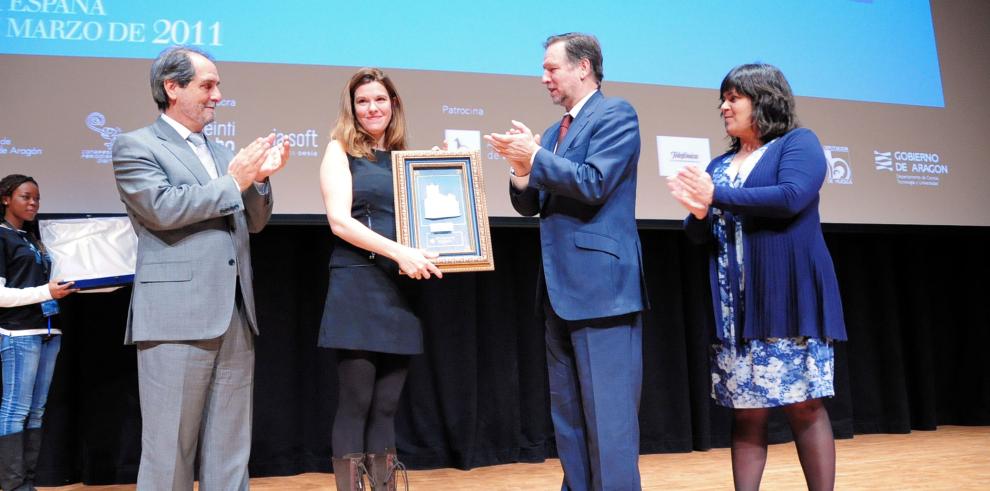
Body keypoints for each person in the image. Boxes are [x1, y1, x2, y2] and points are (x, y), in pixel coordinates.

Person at [112, 45, 288, 490]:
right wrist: (237, 181)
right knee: (169, 450)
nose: (217, 95)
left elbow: (254, 221)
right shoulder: (135, 145)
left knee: (230, 451)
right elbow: (162, 209)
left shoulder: (222, 150)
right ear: (172, 88)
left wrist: (259, 181)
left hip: (233, 314)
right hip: (175, 319)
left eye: (218, 85)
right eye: (207, 85)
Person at [667, 63, 847, 491]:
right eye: (723, 98)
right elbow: (698, 234)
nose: (724, 106)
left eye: (734, 98)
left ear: (763, 100)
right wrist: (698, 212)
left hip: (786, 295)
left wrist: (716, 195)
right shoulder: (720, 162)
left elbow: (790, 197)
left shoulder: (797, 144)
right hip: (736, 308)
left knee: (804, 404)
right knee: (745, 410)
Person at [485, 33, 648, 490]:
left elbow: (594, 182)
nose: (544, 78)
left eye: (551, 68)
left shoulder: (615, 114)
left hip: (603, 292)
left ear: (583, 67)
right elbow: (532, 204)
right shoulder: (561, 129)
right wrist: (521, 170)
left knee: (610, 425)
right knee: (571, 422)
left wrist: (535, 156)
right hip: (560, 294)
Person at [319, 67, 441, 491]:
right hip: (357, 283)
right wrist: (400, 253)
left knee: (387, 406)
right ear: (351, 109)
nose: (372, 107)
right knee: (356, 401)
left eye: (380, 99)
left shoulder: (407, 158)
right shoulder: (339, 151)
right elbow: (340, 222)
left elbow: (423, 221)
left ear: (394, 105)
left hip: (400, 286)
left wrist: (440, 173)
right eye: (363, 101)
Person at [0, 175, 77, 491]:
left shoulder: (32, 239)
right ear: (6, 198)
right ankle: (12, 484)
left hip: (48, 331)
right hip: (18, 333)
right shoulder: (2, 238)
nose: (33, 203)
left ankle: (27, 482)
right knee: (15, 410)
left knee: (36, 411)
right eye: (25, 197)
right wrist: (46, 291)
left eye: (37, 198)